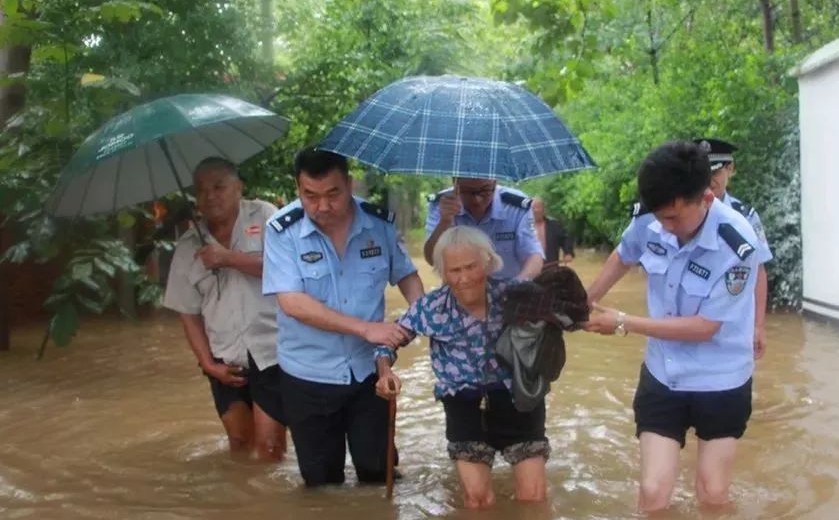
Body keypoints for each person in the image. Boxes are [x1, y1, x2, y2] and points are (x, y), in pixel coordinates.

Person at [585, 141, 760, 512]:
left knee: (712, 494)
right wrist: (585, 299)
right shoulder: (651, 218)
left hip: (722, 379)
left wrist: (621, 321)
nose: (666, 227)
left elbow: (704, 328)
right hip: (663, 374)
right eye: (660, 217)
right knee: (652, 492)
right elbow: (624, 254)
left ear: (707, 198)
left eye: (675, 219)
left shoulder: (738, 244)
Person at [262, 148, 425, 487]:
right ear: (298, 189)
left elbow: (407, 277)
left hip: (369, 375)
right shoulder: (281, 232)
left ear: (349, 184)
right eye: (311, 196)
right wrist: (367, 329)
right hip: (307, 377)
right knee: (321, 485)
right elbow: (292, 302)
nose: (322, 206)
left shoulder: (378, 224)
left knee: (379, 473)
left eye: (333, 194)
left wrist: (419, 319)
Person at [376, 226, 549, 509]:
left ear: (488, 263)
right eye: (455, 270)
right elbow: (388, 344)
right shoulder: (430, 308)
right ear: (443, 273)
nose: (465, 278)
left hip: (519, 400)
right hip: (464, 406)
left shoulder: (514, 296)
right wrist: (385, 372)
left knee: (533, 498)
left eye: (472, 267)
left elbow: (560, 322)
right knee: (477, 501)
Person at [162, 157, 286, 460]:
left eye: (219, 186)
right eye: (202, 190)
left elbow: (289, 272)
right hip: (225, 357)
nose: (210, 196)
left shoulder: (267, 217)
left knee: (270, 448)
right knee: (240, 444)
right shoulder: (189, 245)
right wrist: (208, 364)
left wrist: (229, 258)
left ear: (239, 188)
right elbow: (187, 313)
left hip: (272, 352)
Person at [693, 138, 773, 359]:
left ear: (730, 169)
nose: (709, 180)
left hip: (732, 330)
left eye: (715, 172)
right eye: (702, 173)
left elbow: (759, 272)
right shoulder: (682, 213)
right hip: (689, 325)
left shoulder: (745, 217)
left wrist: (759, 325)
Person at [424, 178, 543, 280]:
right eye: (468, 192)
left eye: (485, 191)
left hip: (509, 291)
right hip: (461, 292)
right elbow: (432, 259)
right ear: (455, 184)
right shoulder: (442, 205)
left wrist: (517, 284)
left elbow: (533, 256)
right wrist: (444, 222)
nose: (477, 200)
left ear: (495, 183)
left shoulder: (515, 206)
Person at [531, 197, 575, 267]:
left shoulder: (554, 225)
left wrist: (568, 253)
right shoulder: (523, 227)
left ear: (543, 209)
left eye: (538, 207)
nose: (536, 210)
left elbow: (566, 239)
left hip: (550, 266)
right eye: (533, 208)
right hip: (530, 267)